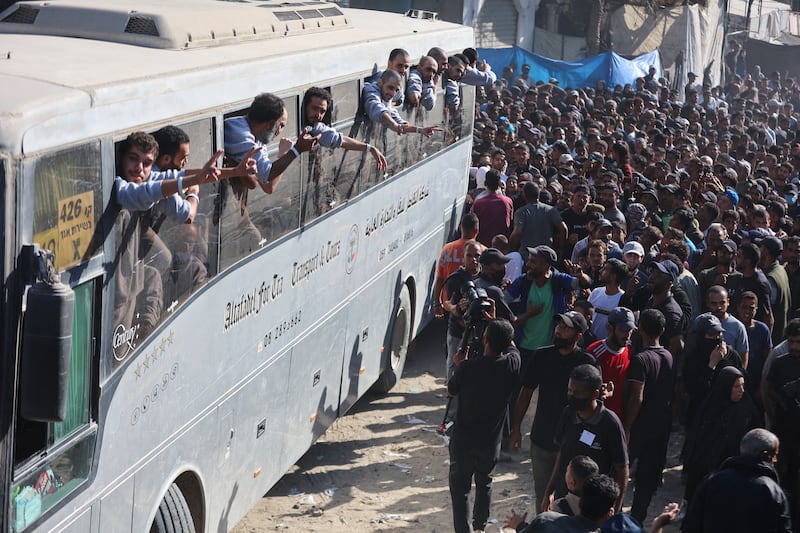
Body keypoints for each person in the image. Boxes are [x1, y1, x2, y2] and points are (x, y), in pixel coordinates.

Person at [509, 312, 598, 513]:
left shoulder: (588, 363)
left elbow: (594, 405)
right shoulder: (542, 356)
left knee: (571, 498)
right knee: (543, 496)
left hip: (573, 444)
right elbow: (526, 392)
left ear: (578, 336)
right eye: (559, 326)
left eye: (566, 328)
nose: (559, 330)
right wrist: (515, 428)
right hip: (542, 439)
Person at [448, 318, 521, 533]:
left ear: (486, 340)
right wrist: (499, 325)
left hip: (463, 441)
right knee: (484, 483)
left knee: (460, 490)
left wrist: (457, 363)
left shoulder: (467, 368)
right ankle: (480, 526)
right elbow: (512, 347)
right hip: (491, 442)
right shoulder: (512, 364)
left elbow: (451, 391)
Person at [543, 364, 629, 514]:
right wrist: (549, 491)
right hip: (566, 498)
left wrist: (615, 508)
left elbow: (622, 469)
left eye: (577, 393)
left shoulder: (610, 424)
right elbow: (561, 454)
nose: (572, 396)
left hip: (596, 504)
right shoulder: (568, 414)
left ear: (595, 394)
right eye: (570, 390)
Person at [681, 428, 792, 533]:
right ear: (765, 455)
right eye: (774, 455)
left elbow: (692, 525)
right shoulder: (773, 491)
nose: (775, 460)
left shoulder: (712, 481)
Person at [623, 309, 675, 524]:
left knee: (620, 471)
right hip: (661, 426)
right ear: (662, 331)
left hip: (640, 427)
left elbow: (637, 397)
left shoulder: (640, 360)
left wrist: (626, 427)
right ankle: (636, 522)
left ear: (640, 329)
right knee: (646, 482)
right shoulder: (669, 356)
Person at [683, 366, 762, 505]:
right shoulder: (711, 409)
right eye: (736, 386)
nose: (741, 390)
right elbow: (699, 443)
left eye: (743, 385)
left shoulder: (746, 408)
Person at [223, 92, 318, 195]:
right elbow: (267, 174)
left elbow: (267, 186)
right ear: (270, 124)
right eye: (280, 125)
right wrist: (296, 150)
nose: (278, 132)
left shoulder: (258, 137)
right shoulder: (242, 137)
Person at [507, 246, 591, 355]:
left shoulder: (558, 280)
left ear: (545, 265)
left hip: (549, 349)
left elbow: (585, 283)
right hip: (523, 347)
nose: (527, 265)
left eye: (533, 262)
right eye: (528, 260)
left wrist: (580, 276)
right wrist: (529, 314)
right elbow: (504, 299)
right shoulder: (524, 281)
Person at [764, 318, 800, 529]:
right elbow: (768, 390)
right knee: (781, 477)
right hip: (783, 432)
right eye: (792, 342)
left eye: (799, 342)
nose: (795, 346)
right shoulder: (780, 362)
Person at [302, 86, 387, 170]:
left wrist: (370, 148)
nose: (318, 115)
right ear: (305, 106)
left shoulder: (316, 127)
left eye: (322, 111)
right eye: (314, 108)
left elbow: (341, 140)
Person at [683, 313, 745, 424]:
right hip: (701, 416)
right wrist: (712, 365)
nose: (716, 338)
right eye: (711, 334)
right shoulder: (693, 359)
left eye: (719, 333)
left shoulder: (732, 355)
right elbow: (695, 391)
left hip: (727, 415)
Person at [586, 306, 635, 419]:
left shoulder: (631, 351)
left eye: (630, 330)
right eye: (623, 330)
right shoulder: (594, 352)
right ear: (609, 328)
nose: (627, 335)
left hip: (618, 418)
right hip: (595, 417)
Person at [361, 69, 440, 136]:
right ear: (380, 83)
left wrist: (419, 130)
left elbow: (397, 121)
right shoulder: (371, 90)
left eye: (396, 90)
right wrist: (394, 124)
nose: (393, 94)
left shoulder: (386, 97)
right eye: (390, 87)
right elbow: (377, 108)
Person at [434, 213, 480, 319]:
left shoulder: (447, 249)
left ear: (460, 228)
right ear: (477, 230)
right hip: (473, 304)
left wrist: (437, 303)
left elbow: (440, 279)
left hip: (449, 303)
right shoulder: (481, 250)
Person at [508, 182, 567, 262]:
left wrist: (511, 249)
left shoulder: (521, 212)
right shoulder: (550, 210)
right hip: (546, 255)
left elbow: (517, 232)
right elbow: (563, 228)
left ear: (524, 195)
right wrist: (561, 248)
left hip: (526, 256)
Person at [706, 285, 750, 368]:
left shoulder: (738, 327)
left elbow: (743, 357)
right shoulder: (701, 322)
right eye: (714, 303)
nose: (718, 307)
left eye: (722, 303)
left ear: (728, 302)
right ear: (708, 303)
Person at [760, 235, 791, 344]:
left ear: (766, 252)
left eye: (761, 248)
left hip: (774, 336)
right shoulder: (781, 269)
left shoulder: (771, 278)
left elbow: (769, 312)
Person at [471, 169, 513, 247]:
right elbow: (510, 221)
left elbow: (472, 224)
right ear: (500, 183)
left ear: (485, 183)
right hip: (502, 247)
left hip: (482, 246)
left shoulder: (478, 203)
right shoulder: (508, 201)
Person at [587, 259, 627, 341]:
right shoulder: (596, 292)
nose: (601, 271)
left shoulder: (624, 299)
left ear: (613, 276)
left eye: (605, 269)